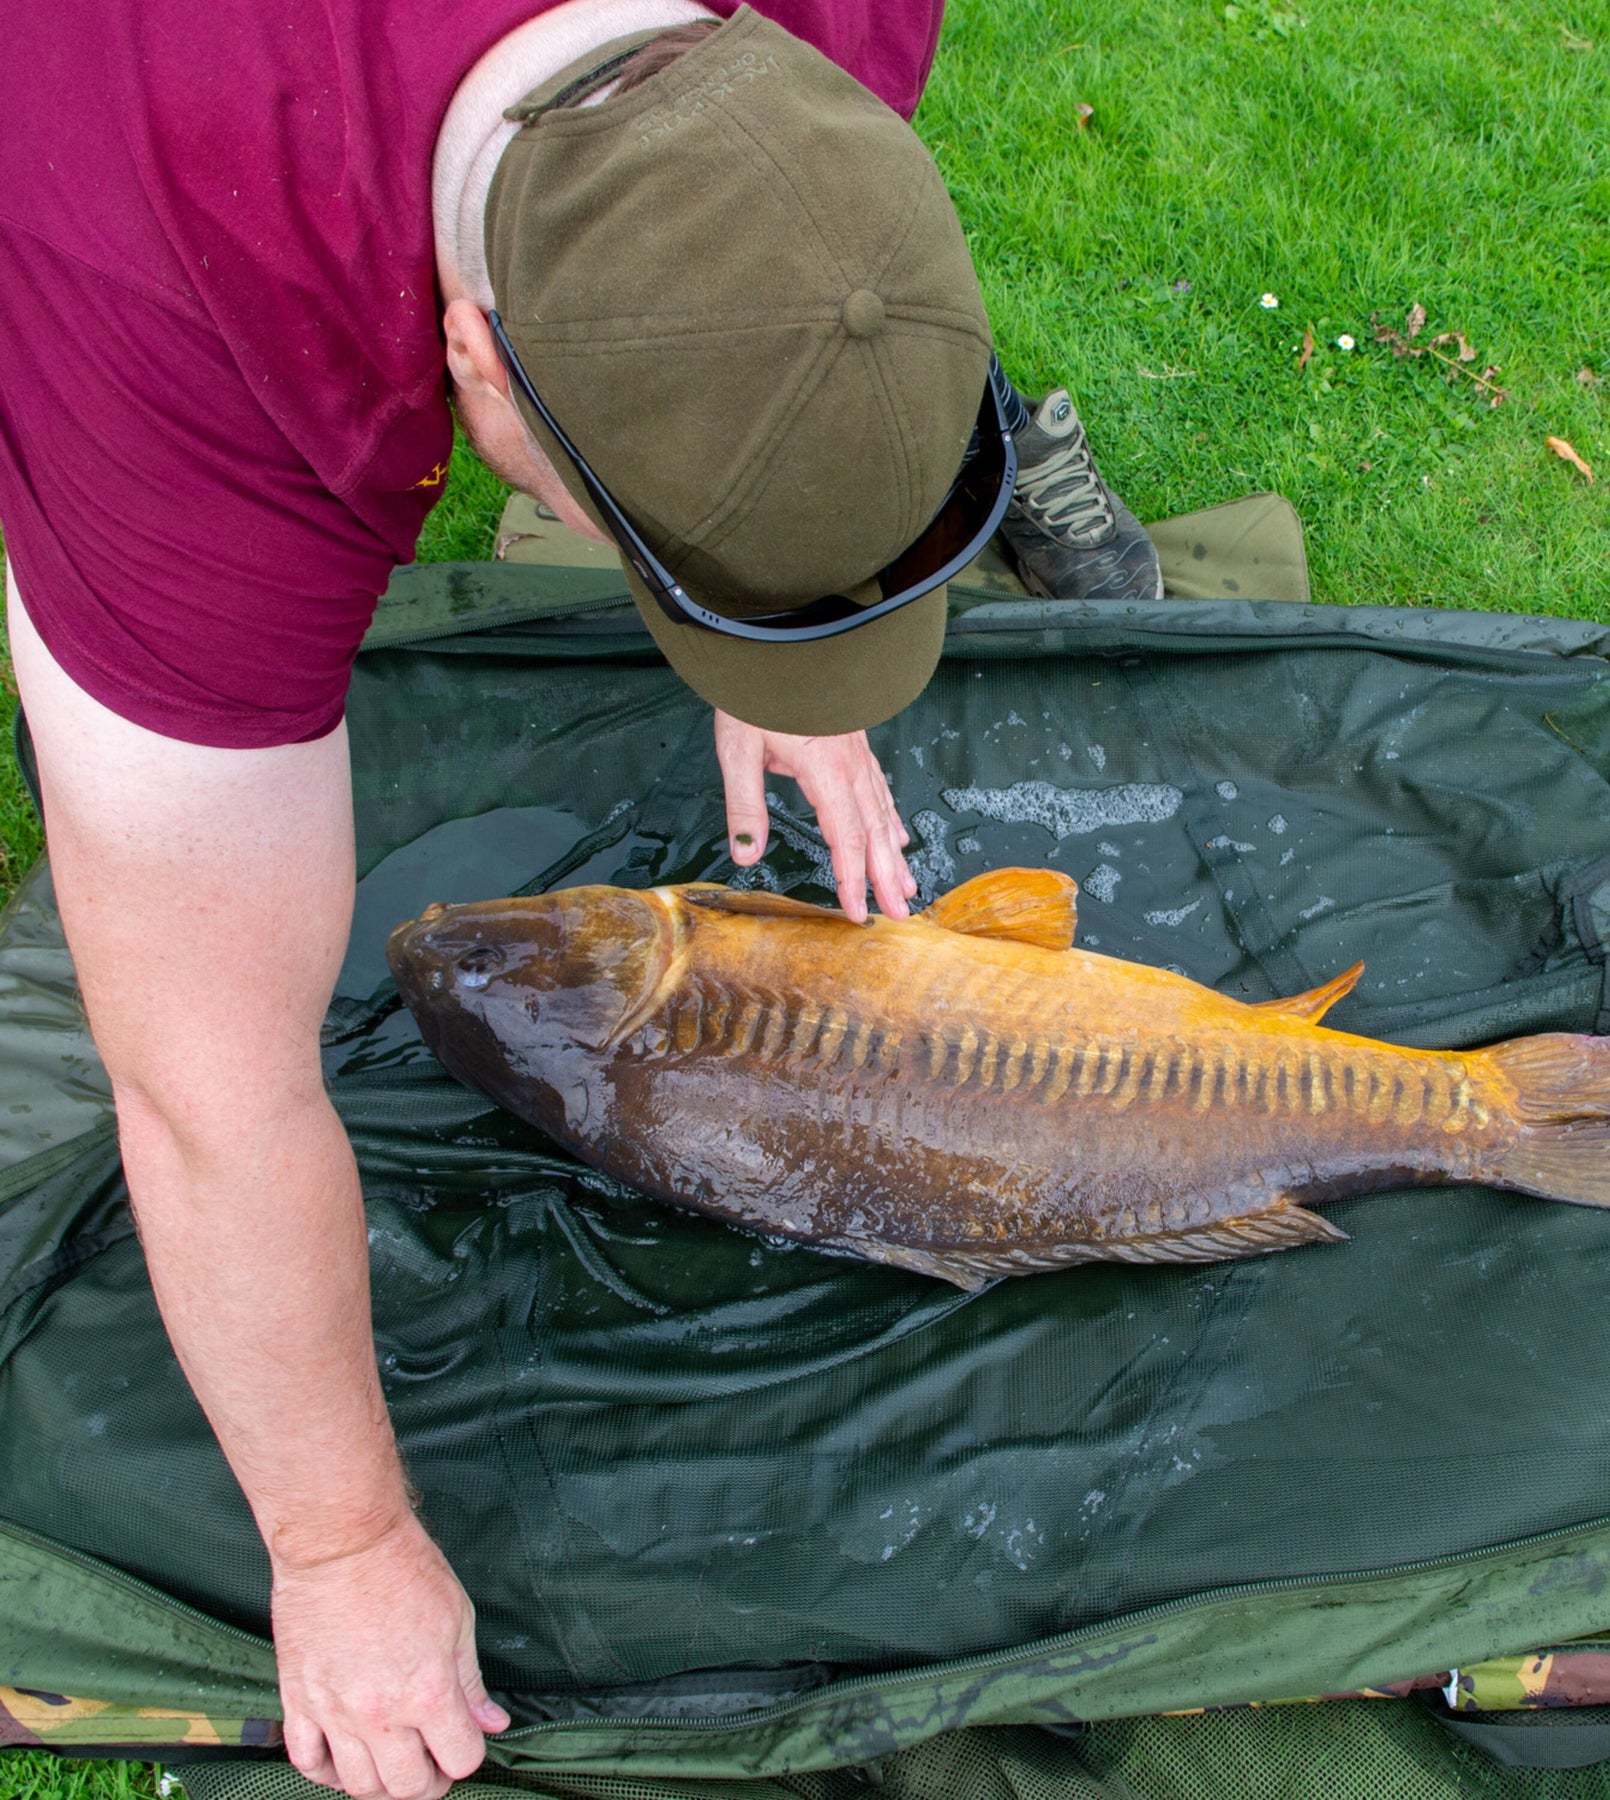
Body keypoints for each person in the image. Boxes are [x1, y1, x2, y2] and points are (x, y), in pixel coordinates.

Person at [0, 4, 1161, 1797]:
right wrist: (338, 1550)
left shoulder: (836, 42)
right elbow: (199, 1091)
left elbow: (760, 288)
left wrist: (773, 607)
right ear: (476, 363)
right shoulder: (175, 364)